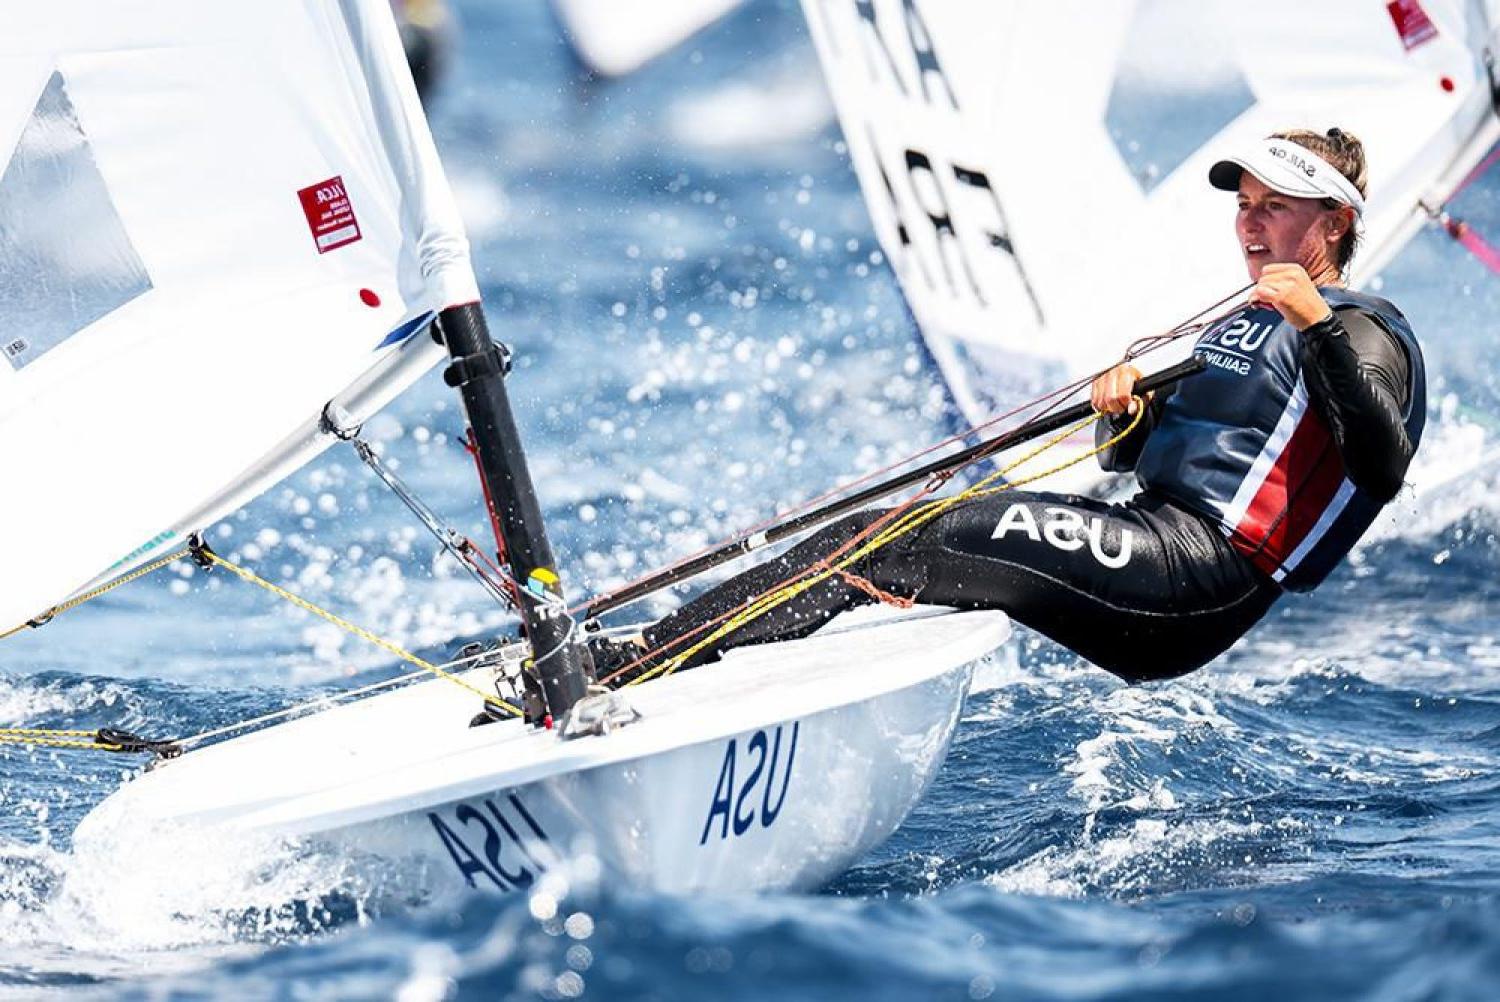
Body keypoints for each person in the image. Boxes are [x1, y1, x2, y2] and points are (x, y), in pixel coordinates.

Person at [595, 128, 1424, 685]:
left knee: (898, 538)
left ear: (1336, 221)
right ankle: (672, 651)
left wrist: (1316, 321)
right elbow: (1131, 461)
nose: (1249, 224)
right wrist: (1121, 412)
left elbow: (1381, 463)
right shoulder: (1245, 323)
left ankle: (646, 663)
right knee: (888, 530)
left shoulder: (1366, 329)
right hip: (1150, 538)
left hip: (1198, 578)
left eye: (1273, 207)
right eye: (1243, 205)